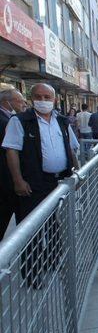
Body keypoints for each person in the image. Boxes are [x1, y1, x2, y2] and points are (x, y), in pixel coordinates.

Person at [2, 83, 80, 287]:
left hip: (58, 181)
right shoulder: (19, 121)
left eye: (47, 97)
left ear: (54, 100)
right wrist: (18, 180)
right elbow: (11, 151)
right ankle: (32, 274)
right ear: (31, 98)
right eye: (38, 96)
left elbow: (71, 148)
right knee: (31, 228)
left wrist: (77, 172)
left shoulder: (62, 121)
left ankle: (54, 260)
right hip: (33, 183)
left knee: (54, 225)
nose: (43, 101)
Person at [0, 88, 27, 239]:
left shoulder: (11, 119)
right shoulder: (6, 121)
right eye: (20, 100)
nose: (24, 103)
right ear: (7, 102)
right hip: (6, 180)